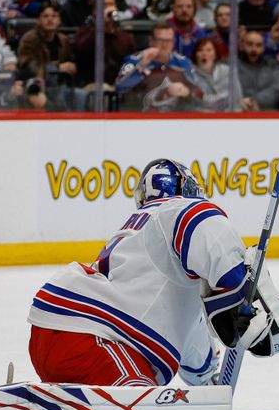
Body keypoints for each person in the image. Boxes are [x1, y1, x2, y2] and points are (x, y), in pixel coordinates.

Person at [27, 159, 263, 388]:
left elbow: (189, 333)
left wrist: (206, 378)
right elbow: (203, 220)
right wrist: (238, 294)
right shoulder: (177, 210)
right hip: (97, 341)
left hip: (52, 330)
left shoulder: (141, 234)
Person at [115, 21, 205, 111]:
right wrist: (141, 66)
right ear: (151, 41)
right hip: (139, 115)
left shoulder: (183, 62)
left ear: (173, 42)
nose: (165, 45)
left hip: (174, 117)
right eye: (160, 40)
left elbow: (199, 92)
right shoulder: (133, 60)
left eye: (168, 41)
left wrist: (188, 92)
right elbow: (119, 87)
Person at [238, 29, 279, 110]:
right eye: (249, 44)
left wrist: (255, 100)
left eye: (258, 45)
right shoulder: (229, 66)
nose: (254, 49)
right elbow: (223, 90)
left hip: (268, 112)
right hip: (238, 111)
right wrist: (238, 101)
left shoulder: (274, 65)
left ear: (263, 48)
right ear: (241, 45)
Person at [191, 35, 241, 110]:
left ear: (215, 54)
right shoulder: (189, 74)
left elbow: (234, 97)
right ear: (195, 54)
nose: (204, 54)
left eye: (209, 50)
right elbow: (194, 103)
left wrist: (204, 97)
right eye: (200, 50)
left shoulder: (227, 71)